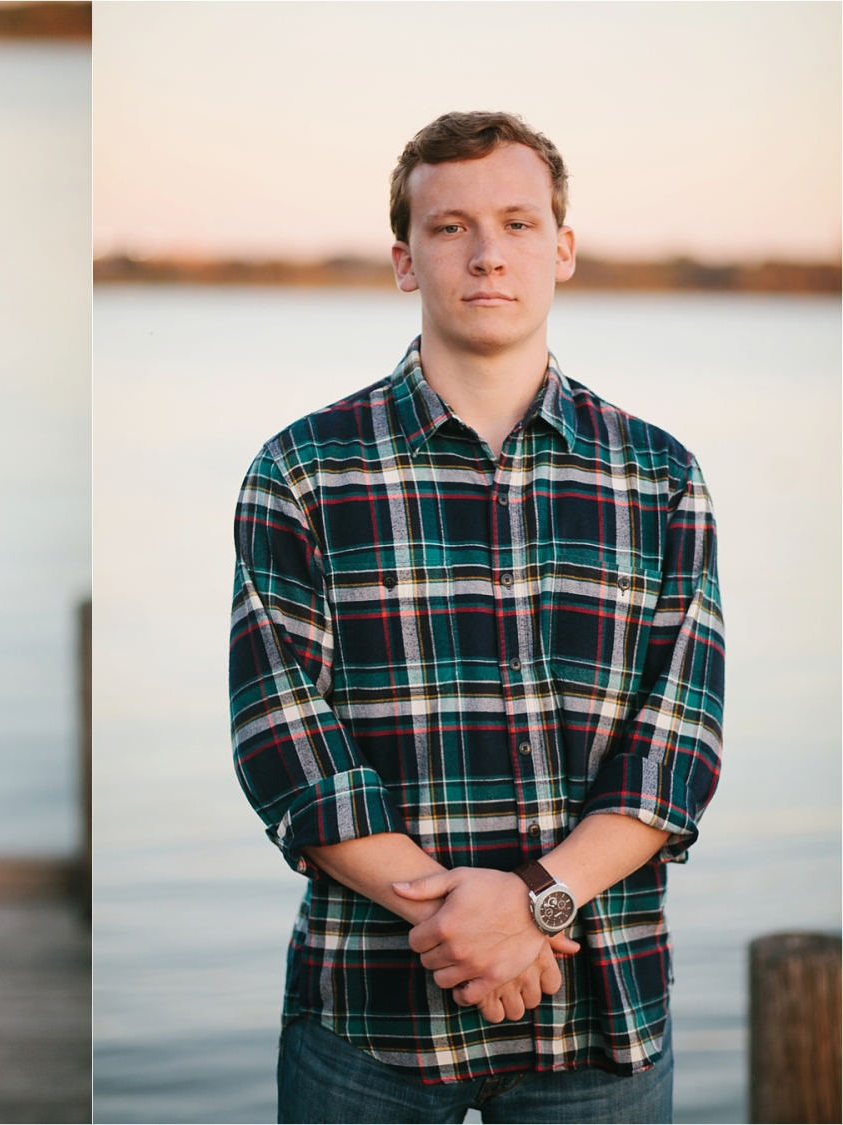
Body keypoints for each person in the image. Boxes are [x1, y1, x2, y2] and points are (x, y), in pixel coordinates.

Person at [230, 111, 723, 1124]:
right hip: (367, 1018)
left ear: (563, 249)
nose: (489, 253)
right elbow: (286, 743)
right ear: (406, 260)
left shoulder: (660, 478)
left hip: (599, 1020)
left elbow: (677, 746)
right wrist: (465, 923)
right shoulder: (303, 471)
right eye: (451, 227)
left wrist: (535, 905)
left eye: (518, 222)